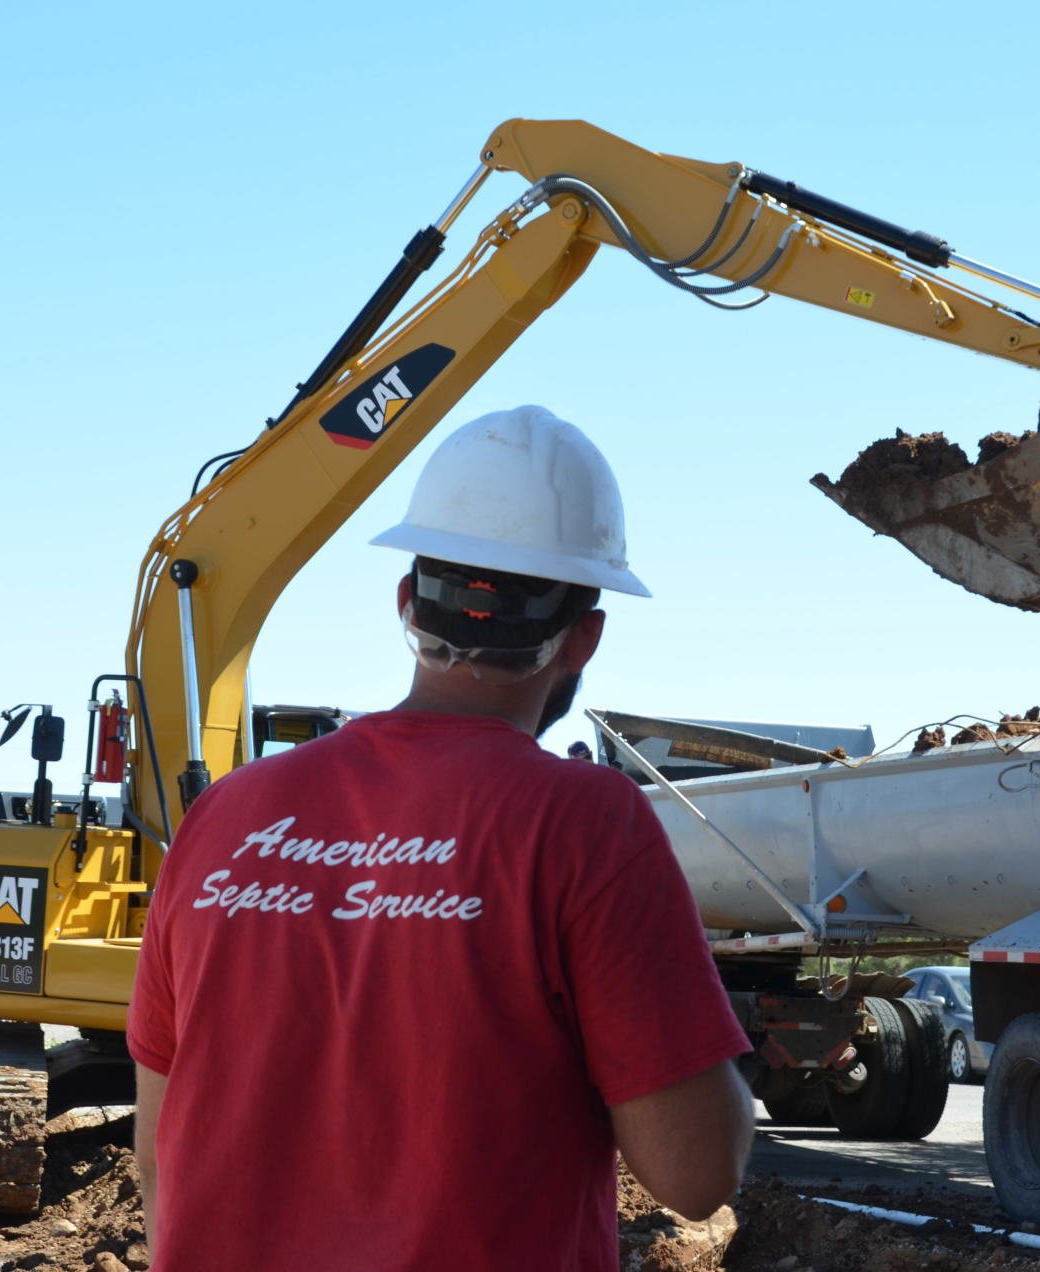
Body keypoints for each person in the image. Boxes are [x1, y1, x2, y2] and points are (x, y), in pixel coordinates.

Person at [128, 406, 754, 1272]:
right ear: (584, 635)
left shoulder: (222, 821)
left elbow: (160, 1161)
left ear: (405, 601)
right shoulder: (583, 822)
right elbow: (694, 1173)